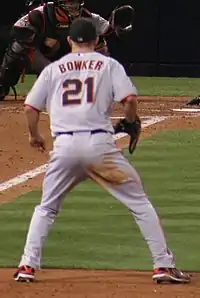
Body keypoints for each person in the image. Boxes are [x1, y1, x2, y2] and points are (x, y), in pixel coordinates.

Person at [13, 18, 190, 284]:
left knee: (46, 208)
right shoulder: (108, 65)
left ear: (70, 41)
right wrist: (130, 121)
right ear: (96, 41)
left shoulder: (53, 69)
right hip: (100, 149)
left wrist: (34, 135)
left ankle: (27, 266)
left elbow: (30, 107)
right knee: (139, 203)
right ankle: (162, 264)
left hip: (64, 148)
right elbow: (129, 100)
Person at [0, 0, 133, 101]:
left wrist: (118, 30)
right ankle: (3, 82)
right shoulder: (41, 13)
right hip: (37, 53)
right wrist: (42, 40)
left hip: (63, 57)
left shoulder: (87, 17)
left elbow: (109, 32)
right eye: (70, 3)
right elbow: (16, 31)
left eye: (76, 3)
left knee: (99, 44)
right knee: (19, 46)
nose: (74, 7)